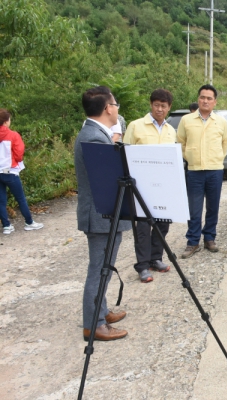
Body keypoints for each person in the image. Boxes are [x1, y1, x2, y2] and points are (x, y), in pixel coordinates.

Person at [74, 86, 130, 341]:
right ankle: (93, 324)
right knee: (99, 269)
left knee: (104, 266)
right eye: (115, 104)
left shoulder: (96, 132)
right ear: (108, 108)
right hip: (100, 215)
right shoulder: (95, 137)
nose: (118, 109)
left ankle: (102, 310)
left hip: (102, 214)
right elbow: (111, 177)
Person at [123, 89, 177, 283]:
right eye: (156, 105)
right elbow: (124, 154)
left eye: (163, 106)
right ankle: (143, 266)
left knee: (163, 223)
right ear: (151, 105)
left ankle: (156, 258)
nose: (159, 109)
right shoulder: (136, 126)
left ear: (169, 107)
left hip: (163, 186)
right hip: (142, 187)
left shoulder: (171, 130)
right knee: (144, 227)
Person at [178, 85, 227, 257]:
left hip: (215, 170)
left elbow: (225, 143)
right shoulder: (186, 120)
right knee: (194, 208)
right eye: (202, 97)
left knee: (213, 207)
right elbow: (181, 142)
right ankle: (192, 242)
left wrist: (217, 158)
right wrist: (190, 157)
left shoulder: (221, 121)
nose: (205, 101)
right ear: (198, 99)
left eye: (209, 98)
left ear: (215, 102)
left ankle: (209, 238)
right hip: (194, 171)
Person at [0, 109, 44, 234]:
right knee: (20, 198)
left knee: (1, 200)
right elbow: (19, 155)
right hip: (10, 171)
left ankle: (6, 226)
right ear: (5, 121)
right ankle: (29, 222)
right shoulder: (13, 135)